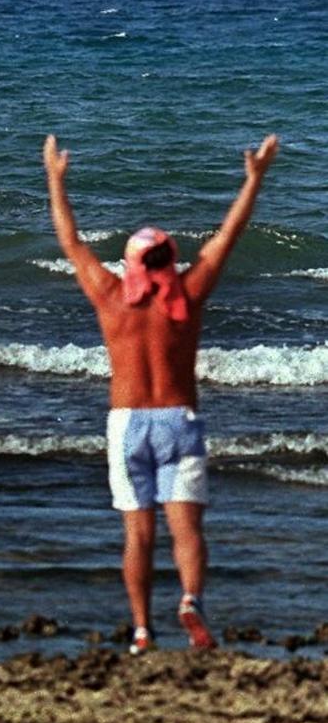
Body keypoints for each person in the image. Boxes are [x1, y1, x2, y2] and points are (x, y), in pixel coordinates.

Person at [43, 133, 279, 655]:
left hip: (127, 422)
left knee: (138, 535)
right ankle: (190, 599)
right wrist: (254, 178)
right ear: (170, 260)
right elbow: (227, 236)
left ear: (129, 263)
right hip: (179, 418)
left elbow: (70, 241)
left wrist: (55, 179)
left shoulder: (109, 297)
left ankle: (143, 630)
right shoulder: (189, 296)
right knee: (187, 527)